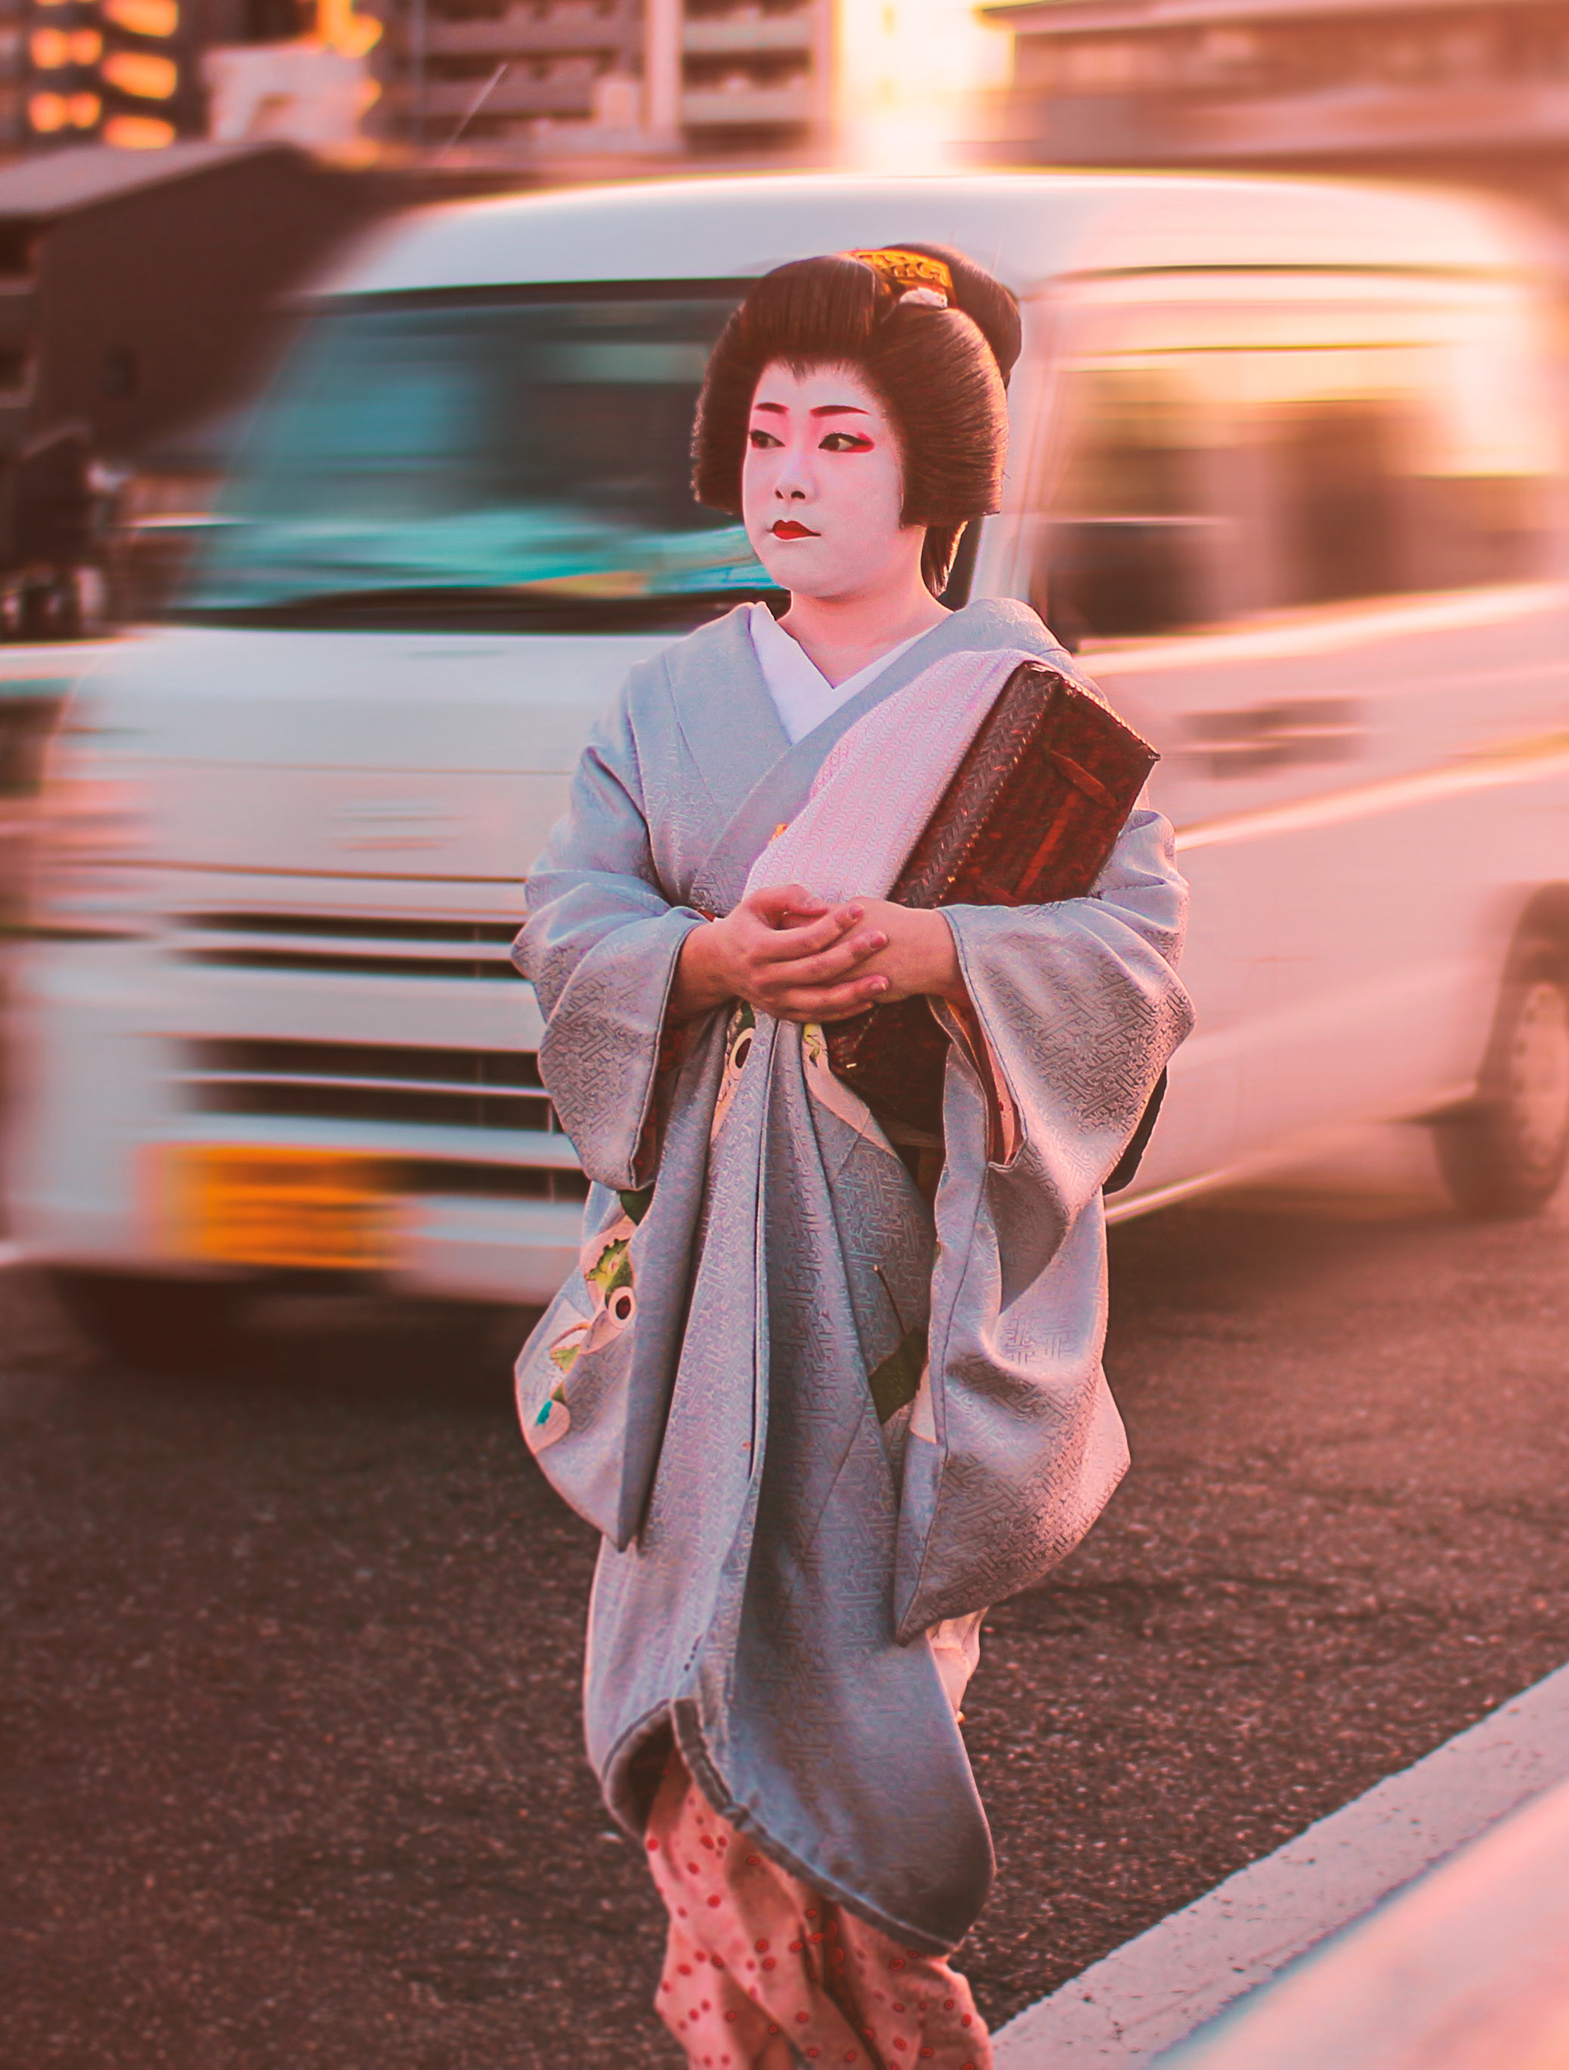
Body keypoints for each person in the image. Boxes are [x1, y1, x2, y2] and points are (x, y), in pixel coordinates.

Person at [511, 245, 1192, 2068]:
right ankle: (745, 2002)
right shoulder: (666, 702)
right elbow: (570, 914)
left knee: (856, 1604)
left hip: (899, 1227)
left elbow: (1132, 960)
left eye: (838, 435)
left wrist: (946, 952)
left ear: (934, 477)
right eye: (764, 435)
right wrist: (695, 957)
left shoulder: (1021, 693)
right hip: (705, 1234)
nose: (792, 474)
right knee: (685, 1623)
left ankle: (879, 1989)